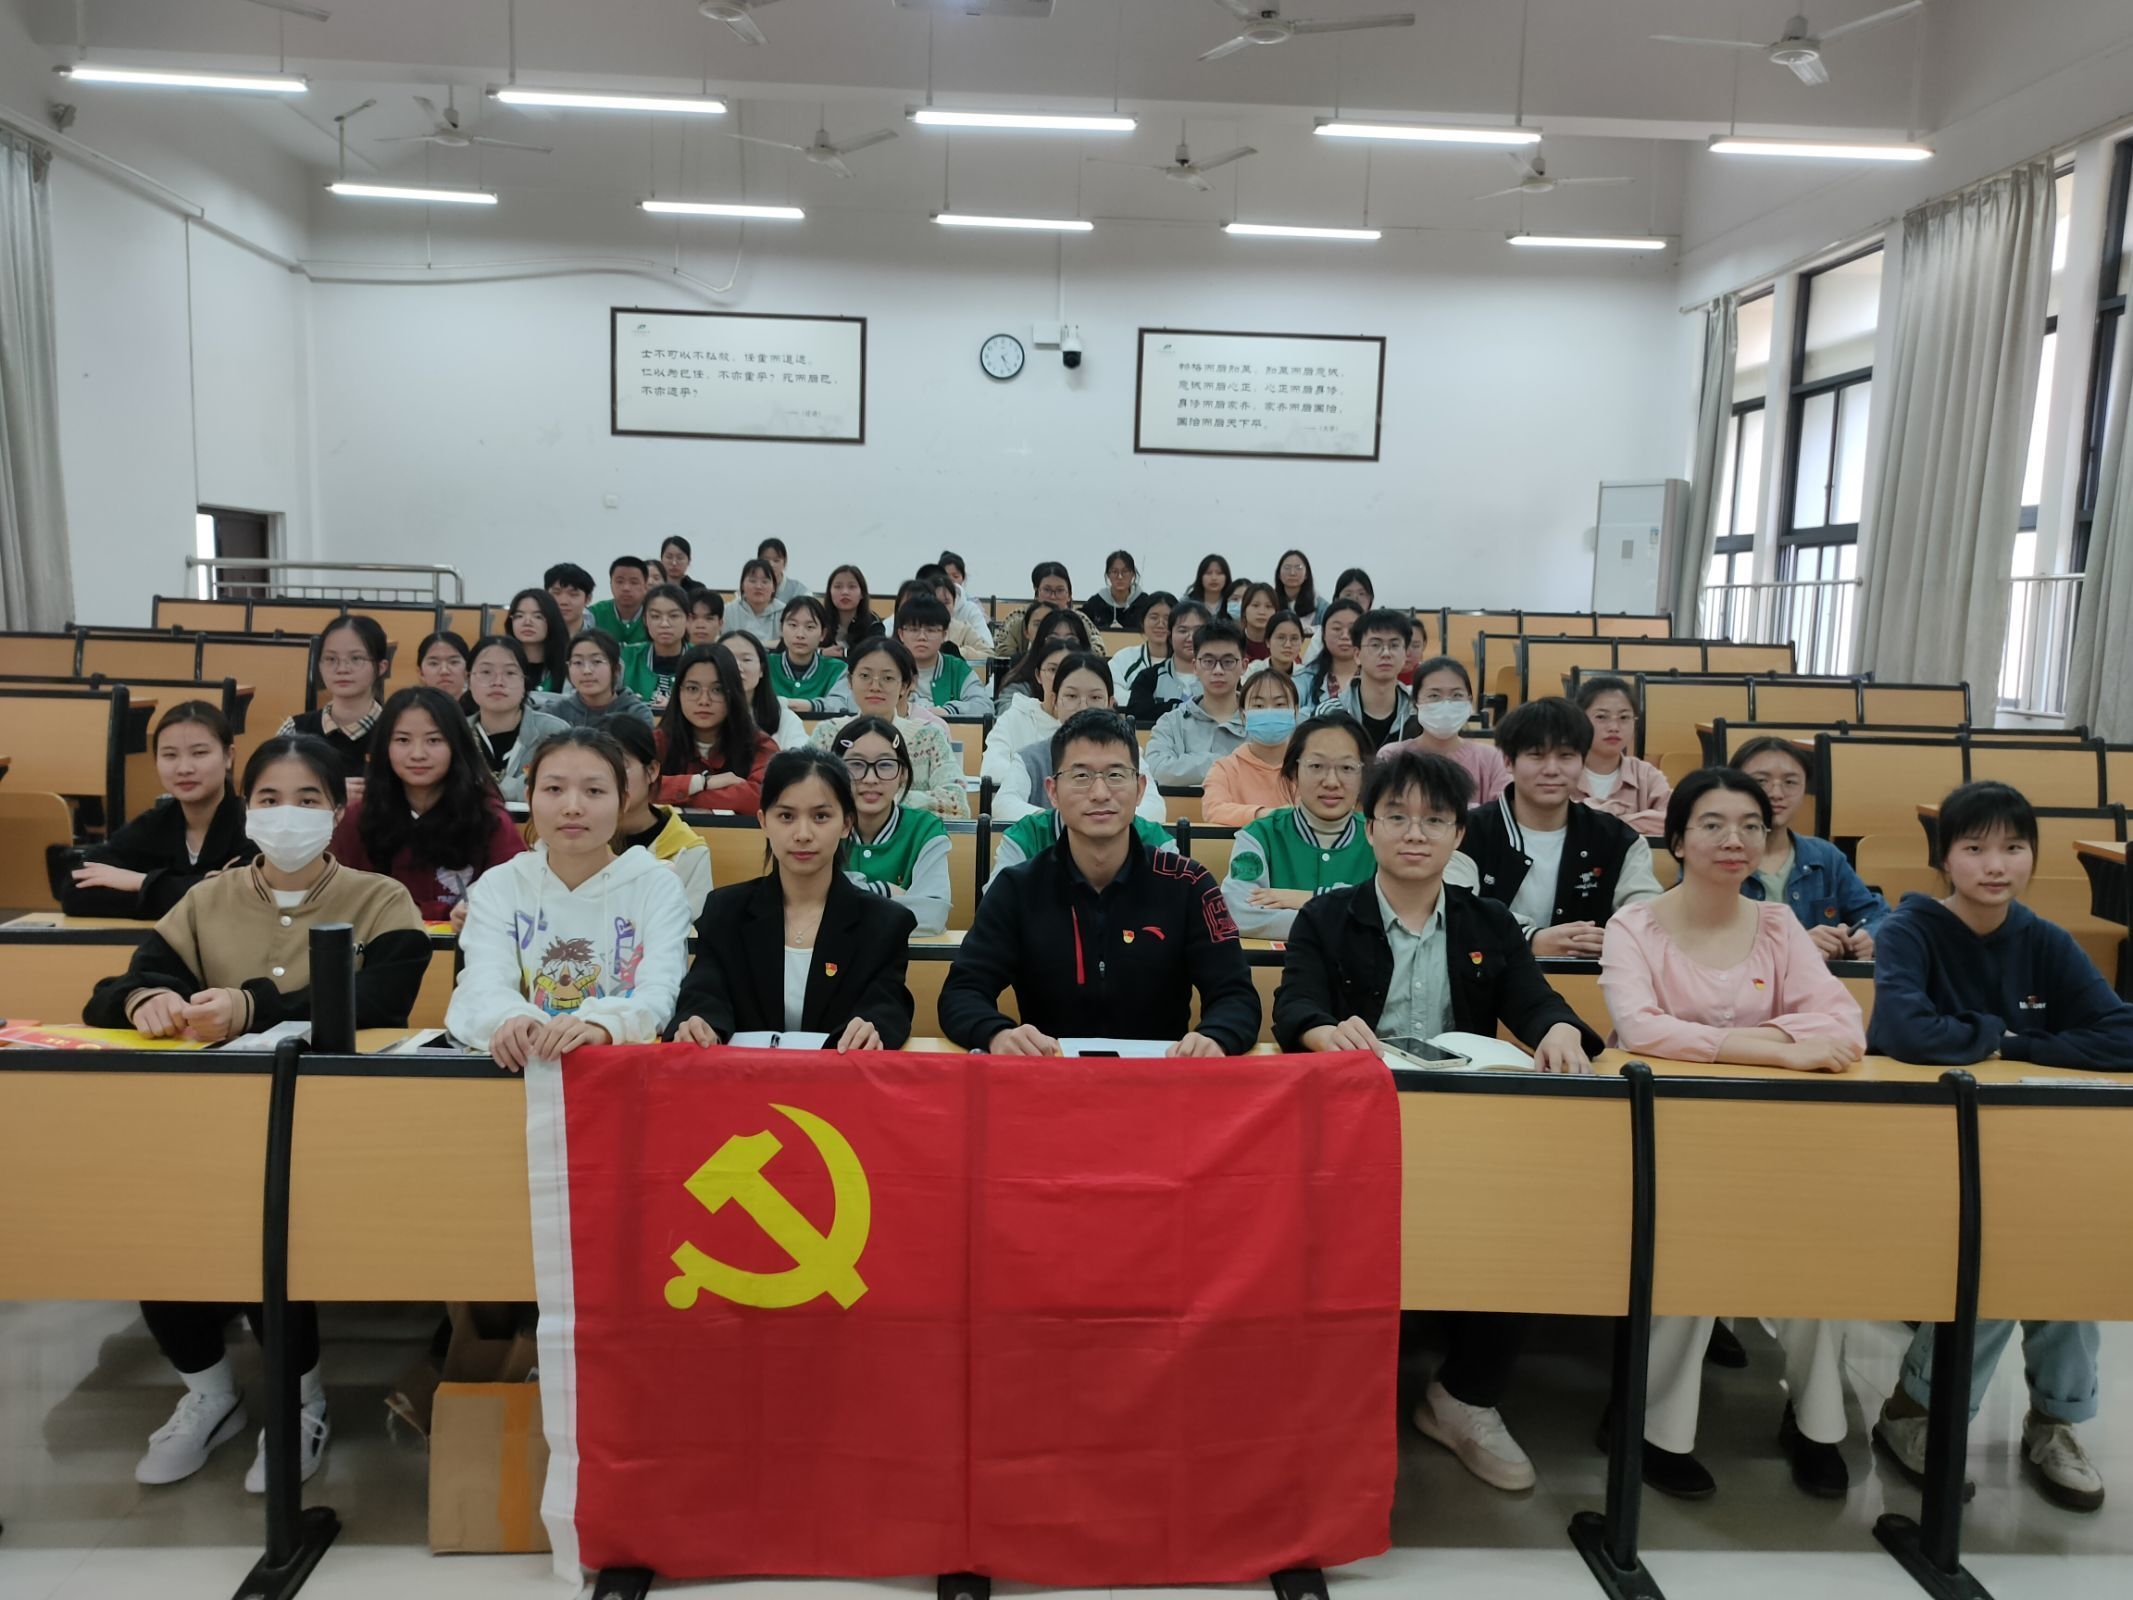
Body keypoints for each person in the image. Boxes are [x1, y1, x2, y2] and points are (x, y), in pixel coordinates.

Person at [90, 735, 429, 1494]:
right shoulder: (207, 899)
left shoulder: (380, 899)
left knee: (266, 1222)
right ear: (247, 810)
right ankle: (209, 1393)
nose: (287, 814)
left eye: (307, 800)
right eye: (270, 799)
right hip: (210, 1123)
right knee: (154, 1223)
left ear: (335, 812)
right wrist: (147, 999)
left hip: (333, 1122)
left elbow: (382, 999)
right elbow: (122, 984)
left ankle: (300, 1402)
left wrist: (252, 1007)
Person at [1275, 750, 1601, 1494]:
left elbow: (1535, 1002)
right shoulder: (1327, 917)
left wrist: (1559, 1029)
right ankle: (1325, 1401)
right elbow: (1294, 1004)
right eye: (1396, 816)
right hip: (1353, 1133)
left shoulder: (1489, 922)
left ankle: (1463, 1396)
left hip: (1465, 1141)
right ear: (1369, 828)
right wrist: (1322, 1031)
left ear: (1459, 834)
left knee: (1532, 1222)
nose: (1414, 834)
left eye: (1433, 820)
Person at [1599, 768, 1867, 1501]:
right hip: (1662, 1143)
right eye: (1713, 824)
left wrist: (1738, 1043)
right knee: (1687, 1255)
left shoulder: (1778, 926)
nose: (1734, 840)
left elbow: (1843, 1024)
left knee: (1821, 1262)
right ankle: (1655, 1431)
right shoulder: (1634, 926)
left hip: (1772, 1145)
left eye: (1750, 825)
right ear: (1677, 839)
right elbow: (1640, 1029)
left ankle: (1815, 1427)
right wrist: (1781, 1048)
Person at [1866, 780, 2133, 1514]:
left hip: (2024, 1149)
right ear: (1943, 857)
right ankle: (1915, 1414)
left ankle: (2053, 1423)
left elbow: (2121, 1033)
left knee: (2065, 1255)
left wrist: (2008, 1045)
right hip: (1924, 1145)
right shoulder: (1910, 929)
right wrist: (2012, 1037)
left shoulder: (2040, 937)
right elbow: (1902, 1033)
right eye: (1975, 847)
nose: (1995, 865)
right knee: (1999, 1256)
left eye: (2014, 848)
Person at [940, 709, 1259, 1056]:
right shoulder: (1017, 888)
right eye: (1081, 776)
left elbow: (1236, 996)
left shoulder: (1189, 884)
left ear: (1140, 789)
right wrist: (997, 1034)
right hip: (1049, 1075)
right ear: (1052, 792)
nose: (1100, 792)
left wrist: (1215, 1037)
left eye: (1115, 775)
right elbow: (962, 992)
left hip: (1161, 1076)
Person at [446, 727, 691, 1070]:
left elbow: (661, 992)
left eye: (594, 791)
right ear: (529, 796)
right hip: (523, 1067)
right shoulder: (500, 885)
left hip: (620, 1072)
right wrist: (512, 1018)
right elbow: (482, 982)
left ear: (623, 801)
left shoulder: (656, 885)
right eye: (554, 789)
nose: (572, 807)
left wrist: (602, 1026)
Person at [671, 748, 915, 1050]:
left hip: (837, 1075)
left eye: (821, 816)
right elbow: (705, 991)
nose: (802, 834)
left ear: (846, 824)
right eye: (786, 816)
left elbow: (887, 1002)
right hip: (745, 1076)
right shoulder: (726, 910)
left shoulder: (884, 922)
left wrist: (872, 1027)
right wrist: (700, 1022)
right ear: (763, 822)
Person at [1462, 697, 1663, 954]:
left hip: (1592, 976)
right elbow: (1455, 910)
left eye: (1566, 756)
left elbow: (1647, 916)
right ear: (1509, 761)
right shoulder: (1466, 833)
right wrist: (1530, 939)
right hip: (1487, 974)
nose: (1552, 770)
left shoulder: (1619, 840)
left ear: (1583, 761)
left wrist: (1617, 938)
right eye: (1536, 755)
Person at [331, 686, 527, 927]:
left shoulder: (489, 818)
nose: (418, 754)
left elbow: (518, 895)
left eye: (434, 740)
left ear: (456, 745)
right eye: (403, 740)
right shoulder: (357, 819)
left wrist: (477, 910)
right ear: (384, 747)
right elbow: (337, 900)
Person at [64, 702, 251, 918]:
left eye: (199, 753)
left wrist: (140, 882)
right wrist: (197, 889)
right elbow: (74, 890)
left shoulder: (253, 825)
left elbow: (241, 900)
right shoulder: (154, 825)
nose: (184, 768)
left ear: (228, 756)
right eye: (170, 755)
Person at [1222, 711, 1377, 939]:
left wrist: (1310, 897)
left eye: (1346, 768)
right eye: (1316, 766)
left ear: (1363, 775)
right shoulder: (1260, 836)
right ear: (1294, 772)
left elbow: (1400, 911)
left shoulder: (1380, 837)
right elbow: (1238, 913)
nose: (1331, 782)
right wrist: (1346, 912)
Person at [1732, 738, 1885, 959]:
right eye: (1761, 781)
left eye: (1790, 782)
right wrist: (1795, 943)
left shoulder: (1825, 857)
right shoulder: (1716, 855)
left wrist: (1869, 936)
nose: (1776, 793)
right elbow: (1699, 935)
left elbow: (1877, 915)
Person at [992, 652, 1166, 826]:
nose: (1083, 707)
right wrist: (1065, 823)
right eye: (1071, 696)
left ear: (1110, 704)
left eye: (1095, 697)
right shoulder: (1031, 758)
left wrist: (1104, 821)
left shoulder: (1127, 752)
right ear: (1055, 701)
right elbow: (1003, 805)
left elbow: (1155, 809)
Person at [807, 637, 968, 817]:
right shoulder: (828, 734)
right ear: (850, 682)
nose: (875, 686)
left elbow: (957, 805)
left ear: (904, 686)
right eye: (865, 676)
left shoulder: (928, 736)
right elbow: (803, 794)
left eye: (888, 678)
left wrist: (884, 797)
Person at [826, 716, 952, 937]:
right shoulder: (821, 825)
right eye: (856, 765)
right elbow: (803, 902)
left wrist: (843, 900)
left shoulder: (926, 830)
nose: (870, 779)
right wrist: (884, 891)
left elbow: (932, 916)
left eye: (885, 765)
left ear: (903, 774)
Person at [603, 717, 712, 918]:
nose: (609, 779)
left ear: (652, 771)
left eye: (621, 765)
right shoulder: (575, 837)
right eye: (599, 768)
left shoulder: (689, 852)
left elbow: (692, 929)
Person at [653, 644, 778, 810]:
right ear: (678, 693)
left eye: (717, 690)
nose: (704, 700)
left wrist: (673, 793)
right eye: (692, 688)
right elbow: (632, 789)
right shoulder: (656, 742)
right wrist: (701, 782)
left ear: (733, 693)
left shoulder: (761, 745)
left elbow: (760, 798)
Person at [1379, 656, 1511, 805]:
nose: (1446, 704)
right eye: (1434, 696)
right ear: (1416, 702)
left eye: (1456, 695)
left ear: (1469, 701)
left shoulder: (1492, 758)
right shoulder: (1391, 756)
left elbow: (1503, 810)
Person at [279, 615, 388, 791]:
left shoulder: (396, 730)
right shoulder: (294, 730)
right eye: (330, 659)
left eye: (356, 659)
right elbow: (273, 791)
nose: (342, 669)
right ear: (319, 666)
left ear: (381, 667)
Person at [464, 636, 571, 804]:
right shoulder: (455, 733)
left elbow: (562, 788)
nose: (498, 682)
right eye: (486, 672)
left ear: (524, 682)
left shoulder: (554, 732)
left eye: (510, 673)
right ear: (468, 680)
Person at [1146, 617, 1248, 786]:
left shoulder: (1260, 722)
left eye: (1228, 662)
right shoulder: (1170, 723)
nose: (1218, 670)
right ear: (1195, 666)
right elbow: (1157, 769)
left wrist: (1188, 763)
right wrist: (1231, 762)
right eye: (1208, 662)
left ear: (1244, 666)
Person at [1573, 676, 1671, 834]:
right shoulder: (1562, 771)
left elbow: (1674, 820)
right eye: (1601, 717)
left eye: (1624, 717)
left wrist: (1610, 822)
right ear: (1579, 720)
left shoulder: (1645, 775)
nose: (1614, 727)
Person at [1203, 669, 1302, 826]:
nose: (1269, 712)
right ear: (1243, 715)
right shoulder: (1225, 769)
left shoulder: (1309, 767)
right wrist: (1265, 815)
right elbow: (1213, 810)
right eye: (1259, 705)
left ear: (1295, 712)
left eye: (1279, 704)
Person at [983, 638, 1080, 783]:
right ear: (1038, 675)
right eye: (1053, 670)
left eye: (1068, 670)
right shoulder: (1015, 717)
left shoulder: (1089, 723)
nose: (1059, 678)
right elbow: (993, 770)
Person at [1319, 609, 1416, 750]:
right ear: (1357, 655)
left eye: (1394, 645)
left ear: (1405, 654)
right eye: (1375, 645)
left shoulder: (1417, 713)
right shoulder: (1330, 711)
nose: (1386, 653)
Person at [718, 628, 810, 752]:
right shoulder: (704, 715)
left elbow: (802, 759)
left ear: (761, 669)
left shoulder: (784, 718)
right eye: (729, 660)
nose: (738, 667)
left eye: (746, 659)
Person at [899, 595, 992, 716]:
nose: (922, 637)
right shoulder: (890, 667)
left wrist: (950, 710)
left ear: (944, 635)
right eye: (914, 629)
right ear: (901, 634)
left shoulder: (957, 669)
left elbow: (985, 706)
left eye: (930, 630)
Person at [995, 563, 1107, 661]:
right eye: (1047, 590)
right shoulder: (1018, 618)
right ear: (1037, 593)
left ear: (1069, 595)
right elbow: (1002, 653)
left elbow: (1098, 651)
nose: (1053, 597)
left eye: (1059, 590)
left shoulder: (1079, 620)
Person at [550, 630, 656, 731]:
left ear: (616, 669)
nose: (586, 671)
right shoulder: (555, 713)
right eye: (578, 662)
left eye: (597, 661)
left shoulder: (636, 714)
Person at [769, 597, 856, 717]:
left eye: (810, 627)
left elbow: (841, 704)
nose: (800, 634)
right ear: (781, 629)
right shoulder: (764, 665)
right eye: (793, 625)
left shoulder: (838, 670)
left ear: (823, 634)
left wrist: (811, 706)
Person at [1127, 600, 1208, 721]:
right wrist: (1178, 707)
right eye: (1183, 631)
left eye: (1198, 631)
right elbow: (1136, 714)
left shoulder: (1220, 675)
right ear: (1170, 636)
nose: (1191, 638)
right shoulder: (1149, 677)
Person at [619, 583, 694, 709]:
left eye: (674, 616)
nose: (664, 624)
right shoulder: (626, 658)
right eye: (655, 616)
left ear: (688, 619)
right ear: (645, 620)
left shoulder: (702, 659)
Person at [916, 563, 995, 661]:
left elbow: (989, 654)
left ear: (954, 603)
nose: (942, 608)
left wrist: (960, 652)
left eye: (947, 602)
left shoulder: (963, 629)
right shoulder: (916, 628)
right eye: (937, 602)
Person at [506, 587, 573, 694]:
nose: (527, 622)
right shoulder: (501, 664)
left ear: (552, 620)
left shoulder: (569, 666)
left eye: (538, 616)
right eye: (519, 616)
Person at [1106, 591, 1176, 692]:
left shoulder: (1186, 661)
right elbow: (1113, 692)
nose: (1160, 624)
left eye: (1167, 618)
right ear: (1142, 622)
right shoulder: (1123, 658)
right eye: (1154, 617)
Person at [1301, 597, 1364, 705]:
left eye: (1352, 629)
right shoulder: (1304, 679)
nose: (1345, 636)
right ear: (1323, 634)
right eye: (1337, 628)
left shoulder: (1377, 676)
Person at [933, 550, 996, 653]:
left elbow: (988, 648)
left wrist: (957, 651)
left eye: (955, 576)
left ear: (963, 578)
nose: (951, 581)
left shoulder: (971, 610)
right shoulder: (925, 610)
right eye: (945, 576)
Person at [821, 564, 884, 657]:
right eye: (838, 587)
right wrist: (820, 653)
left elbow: (876, 653)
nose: (845, 592)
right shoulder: (819, 620)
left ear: (862, 593)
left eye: (852, 587)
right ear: (829, 593)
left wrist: (843, 653)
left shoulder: (873, 624)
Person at [585, 557, 650, 644]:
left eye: (634, 582)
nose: (626, 588)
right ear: (611, 584)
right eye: (620, 582)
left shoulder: (654, 614)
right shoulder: (594, 613)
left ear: (646, 586)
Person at [1084, 549, 1152, 631]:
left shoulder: (1144, 603)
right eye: (1114, 572)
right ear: (1108, 575)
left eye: (1125, 571)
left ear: (1133, 574)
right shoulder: (1095, 603)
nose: (1120, 577)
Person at [730, 558, 785, 642]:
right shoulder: (728, 611)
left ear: (774, 587)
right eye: (752, 581)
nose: (758, 586)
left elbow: (787, 643)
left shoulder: (784, 612)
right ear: (742, 585)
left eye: (765, 582)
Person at [1246, 610, 1307, 682]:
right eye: (1281, 638)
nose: (1288, 645)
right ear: (1268, 641)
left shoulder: (1306, 676)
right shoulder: (1253, 672)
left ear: (1302, 642)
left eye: (1294, 638)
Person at [416, 630, 471, 702]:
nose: (444, 671)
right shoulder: (409, 708)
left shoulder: (481, 707)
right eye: (434, 663)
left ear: (467, 669)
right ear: (421, 673)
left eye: (453, 662)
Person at [544, 562, 595, 637]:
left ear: (588, 599)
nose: (563, 602)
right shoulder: (533, 631)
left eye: (573, 594)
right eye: (556, 593)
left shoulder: (598, 635)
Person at [1273, 548, 1320, 628]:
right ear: (1279, 574)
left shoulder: (1319, 605)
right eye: (1287, 567)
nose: (1292, 573)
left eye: (1299, 568)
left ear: (1306, 574)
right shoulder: (1271, 601)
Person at [1235, 582, 1281, 661]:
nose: (1262, 612)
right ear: (1244, 611)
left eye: (1268, 606)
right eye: (1255, 605)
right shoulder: (1233, 643)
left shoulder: (1283, 645)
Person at [759, 536, 809, 605]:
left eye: (776, 560)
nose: (771, 564)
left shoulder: (798, 590)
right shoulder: (753, 588)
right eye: (766, 560)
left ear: (785, 562)